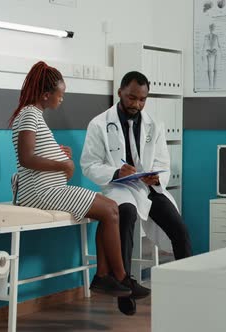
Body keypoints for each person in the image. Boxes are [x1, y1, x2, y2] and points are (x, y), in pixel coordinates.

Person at [9, 61, 149, 302]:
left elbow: (34, 151)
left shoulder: (32, 115)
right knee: (110, 210)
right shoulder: (31, 114)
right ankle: (121, 277)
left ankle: (104, 276)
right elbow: (26, 157)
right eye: (60, 95)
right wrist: (63, 165)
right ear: (46, 94)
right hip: (41, 193)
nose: (61, 99)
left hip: (48, 188)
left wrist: (56, 151)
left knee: (108, 209)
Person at [81, 71, 192, 315]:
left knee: (179, 230)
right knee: (127, 215)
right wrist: (116, 172)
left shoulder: (155, 124)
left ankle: (186, 288)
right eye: (132, 98)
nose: (137, 104)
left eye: (142, 100)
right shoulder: (99, 124)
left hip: (148, 186)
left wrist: (157, 177)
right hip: (119, 187)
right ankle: (124, 288)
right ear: (120, 92)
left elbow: (164, 160)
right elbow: (88, 165)